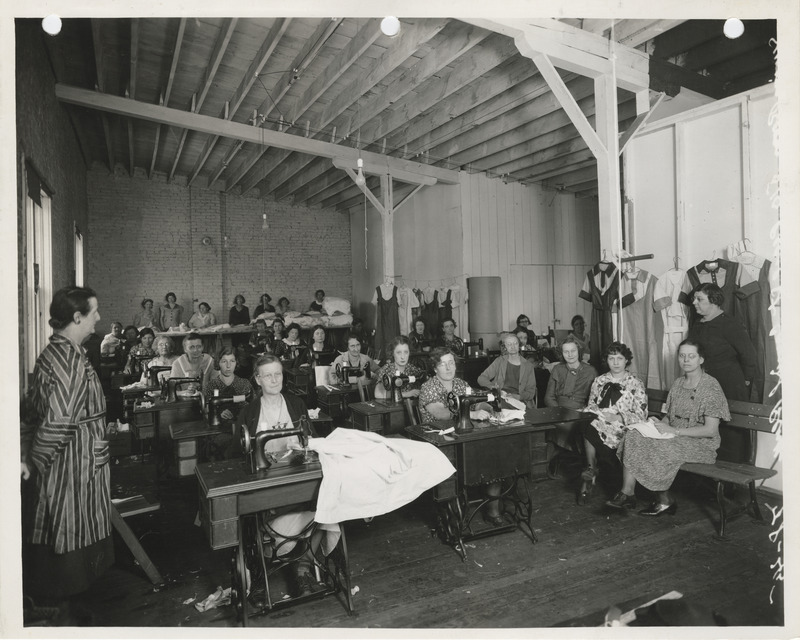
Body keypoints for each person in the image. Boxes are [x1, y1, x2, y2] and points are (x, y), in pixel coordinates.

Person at [20, 286, 114, 609]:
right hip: (71, 460)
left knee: (67, 522)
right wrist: (33, 463)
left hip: (77, 454)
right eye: (94, 312)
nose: (98, 318)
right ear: (77, 317)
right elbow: (58, 421)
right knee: (67, 524)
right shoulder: (68, 359)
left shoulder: (60, 352)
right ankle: (69, 595)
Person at [234, 355, 330, 596]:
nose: (274, 379)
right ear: (258, 379)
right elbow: (239, 453)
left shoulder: (296, 403)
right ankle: (259, 575)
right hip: (266, 483)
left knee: (330, 505)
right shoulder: (248, 412)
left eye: (278, 374)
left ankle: (303, 567)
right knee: (253, 514)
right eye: (268, 375)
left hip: (298, 476)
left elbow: (310, 437)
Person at [609, 339, 730, 515]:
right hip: (674, 435)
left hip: (700, 443)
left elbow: (710, 430)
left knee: (657, 447)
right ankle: (627, 493)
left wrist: (675, 431)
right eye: (682, 356)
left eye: (691, 356)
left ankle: (664, 499)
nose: (686, 360)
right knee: (633, 435)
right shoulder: (678, 383)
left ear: (701, 359)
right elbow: (668, 416)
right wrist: (656, 424)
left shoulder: (711, 387)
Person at [419, 348, 497, 524]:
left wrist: (488, 407)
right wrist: (472, 415)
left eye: (451, 363)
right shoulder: (428, 387)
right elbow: (441, 413)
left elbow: (476, 402)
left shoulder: (461, 384)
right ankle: (454, 513)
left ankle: (493, 506)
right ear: (435, 368)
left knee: (494, 452)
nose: (448, 367)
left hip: (464, 436)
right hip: (439, 441)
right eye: (442, 364)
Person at [687, 283, 757, 463]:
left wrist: (746, 382)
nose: (694, 302)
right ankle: (710, 481)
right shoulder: (697, 324)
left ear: (714, 301)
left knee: (731, 434)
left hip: (730, 386)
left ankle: (731, 483)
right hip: (705, 385)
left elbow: (749, 355)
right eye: (694, 299)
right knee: (708, 430)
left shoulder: (730, 323)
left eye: (699, 299)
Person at [577, 342, 647, 505]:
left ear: (626, 361)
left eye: (620, 358)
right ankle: (591, 469)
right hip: (601, 423)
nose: (615, 362)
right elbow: (592, 405)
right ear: (606, 360)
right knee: (588, 422)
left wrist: (618, 418)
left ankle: (592, 473)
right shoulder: (599, 381)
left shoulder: (635, 383)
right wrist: (598, 413)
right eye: (611, 358)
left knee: (592, 425)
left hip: (624, 427)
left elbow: (642, 414)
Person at [543, 336, 598, 476]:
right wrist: (558, 411)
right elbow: (548, 397)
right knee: (554, 426)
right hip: (558, 409)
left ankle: (586, 466)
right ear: (561, 353)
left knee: (575, 427)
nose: (570, 354)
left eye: (573, 351)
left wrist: (583, 411)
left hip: (580, 410)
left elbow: (595, 399)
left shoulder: (590, 371)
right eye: (566, 351)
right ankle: (546, 464)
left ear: (578, 351)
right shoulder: (557, 369)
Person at [477, 333, 538, 408]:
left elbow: (531, 392)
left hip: (520, 401)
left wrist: (518, 397)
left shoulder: (528, 366)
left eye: (515, 343)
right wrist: (493, 387)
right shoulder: (499, 361)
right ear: (505, 347)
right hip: (501, 398)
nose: (512, 347)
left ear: (519, 345)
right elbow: (481, 378)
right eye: (509, 344)